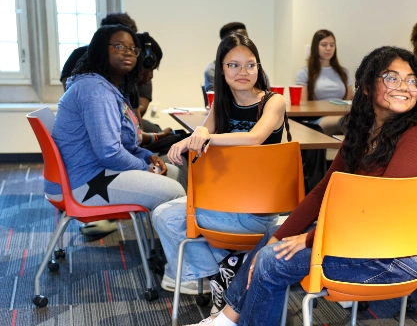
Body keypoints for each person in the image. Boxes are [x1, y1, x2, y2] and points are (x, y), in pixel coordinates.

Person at [163, 46, 417, 326]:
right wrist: (281, 235)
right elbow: (321, 192)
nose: (404, 86)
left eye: (412, 80)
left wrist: (309, 239)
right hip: (365, 242)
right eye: (391, 77)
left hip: (397, 256)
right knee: (274, 236)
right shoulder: (364, 130)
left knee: (274, 259)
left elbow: (383, 210)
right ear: (367, 85)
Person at [154, 32, 286, 302]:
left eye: (250, 64)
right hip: (224, 201)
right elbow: (204, 128)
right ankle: (222, 273)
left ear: (258, 68)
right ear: (221, 69)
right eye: (233, 65)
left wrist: (204, 137)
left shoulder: (273, 102)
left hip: (257, 207)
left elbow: (254, 138)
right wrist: (196, 135)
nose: (243, 71)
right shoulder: (222, 103)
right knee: (163, 215)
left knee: (182, 214)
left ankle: (227, 269)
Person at [44, 25, 185, 215]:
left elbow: (125, 142)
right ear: (101, 50)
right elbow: (109, 153)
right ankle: (180, 243)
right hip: (82, 182)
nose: (127, 52)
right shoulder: (95, 91)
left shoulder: (107, 88)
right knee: (173, 190)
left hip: (93, 172)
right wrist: (145, 167)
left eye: (132, 49)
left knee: (176, 174)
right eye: (118, 46)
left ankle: (170, 239)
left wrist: (146, 156)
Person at [295, 29, 353, 135]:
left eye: (332, 45)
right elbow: (303, 104)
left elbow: (349, 100)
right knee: (348, 122)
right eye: (324, 45)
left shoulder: (343, 72)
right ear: (315, 47)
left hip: (343, 115)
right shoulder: (305, 73)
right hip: (318, 119)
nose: (328, 48)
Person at [203, 22, 248, 92]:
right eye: (235, 41)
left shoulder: (254, 68)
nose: (242, 44)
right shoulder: (213, 70)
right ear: (223, 44)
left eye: (245, 40)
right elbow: (216, 100)